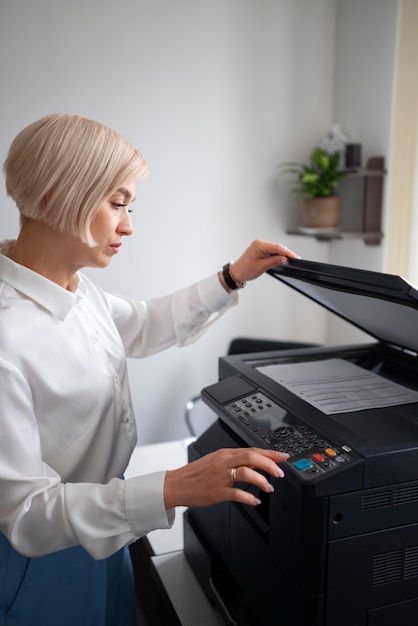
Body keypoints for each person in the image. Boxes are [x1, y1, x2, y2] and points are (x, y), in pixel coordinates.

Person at [0, 113, 298, 625]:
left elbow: (139, 325)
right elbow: (25, 514)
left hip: (105, 530)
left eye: (130, 205)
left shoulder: (75, 287)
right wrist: (173, 487)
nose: (128, 224)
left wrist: (231, 278)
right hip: (41, 560)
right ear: (52, 196)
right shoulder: (7, 335)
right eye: (117, 203)